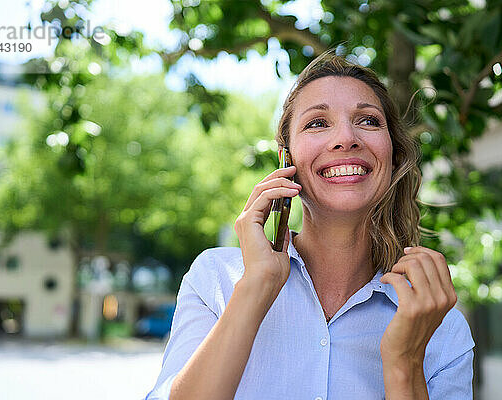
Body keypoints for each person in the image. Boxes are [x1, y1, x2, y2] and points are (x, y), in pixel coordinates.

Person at [145, 51, 475, 400]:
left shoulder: (441, 328)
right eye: (317, 123)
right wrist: (256, 286)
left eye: (368, 121)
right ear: (287, 159)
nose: (346, 138)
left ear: (393, 156)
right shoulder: (217, 278)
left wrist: (405, 361)